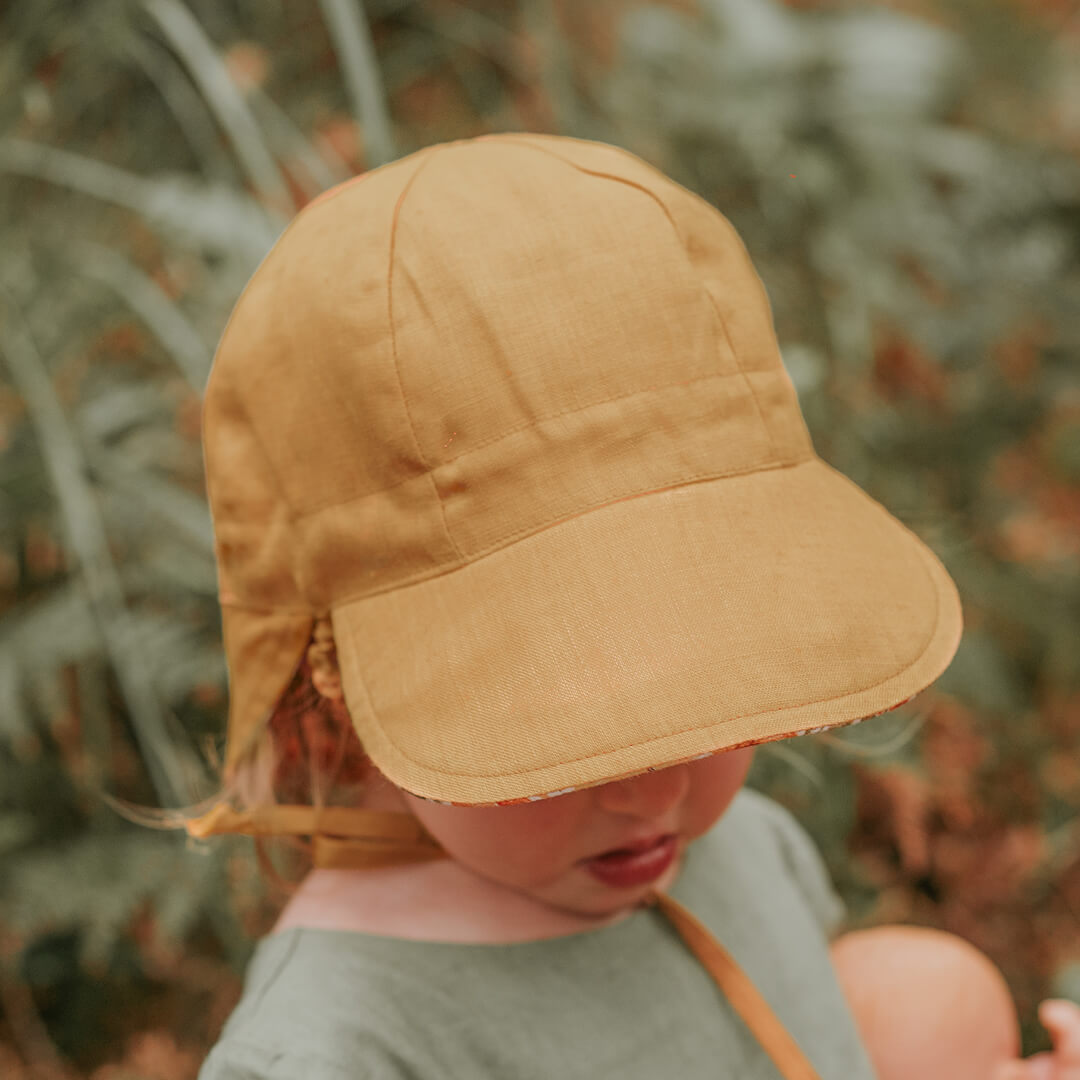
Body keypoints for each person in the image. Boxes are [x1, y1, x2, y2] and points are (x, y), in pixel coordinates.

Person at [171, 131, 1056, 1078]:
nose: (656, 791)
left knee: (932, 995)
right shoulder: (337, 1048)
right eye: (565, 708)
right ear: (330, 682)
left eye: (698, 668)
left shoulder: (741, 851)